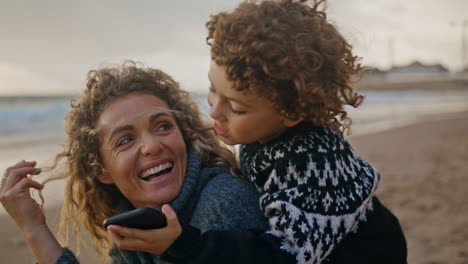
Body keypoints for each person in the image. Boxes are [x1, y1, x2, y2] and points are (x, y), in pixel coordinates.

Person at [0, 61, 294, 264]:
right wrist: (34, 229)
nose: (153, 145)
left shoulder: (223, 202)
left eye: (163, 126)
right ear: (102, 171)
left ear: (185, 135)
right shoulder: (136, 220)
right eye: (125, 140)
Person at [199, 0, 408, 263]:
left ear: (291, 112)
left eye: (236, 108)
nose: (214, 111)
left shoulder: (306, 160)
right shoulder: (268, 135)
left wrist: (194, 246)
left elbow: (289, 254)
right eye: (212, 90)